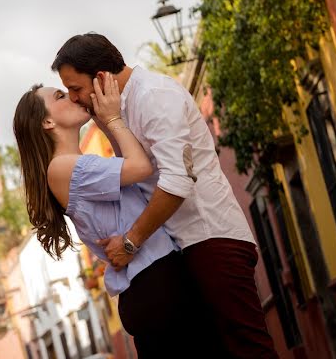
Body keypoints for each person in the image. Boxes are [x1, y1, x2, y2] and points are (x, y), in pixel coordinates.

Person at [53, 32, 277, 358]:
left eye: (76, 89)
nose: (74, 98)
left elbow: (177, 181)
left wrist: (131, 241)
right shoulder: (114, 110)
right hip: (181, 247)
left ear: (101, 77)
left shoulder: (154, 96)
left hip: (210, 236)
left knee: (248, 349)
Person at [13, 75, 218, 357]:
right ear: (47, 123)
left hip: (155, 283)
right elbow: (140, 167)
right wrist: (111, 118)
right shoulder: (62, 168)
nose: (72, 97)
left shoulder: (77, 163)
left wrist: (105, 119)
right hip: (154, 283)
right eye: (60, 96)